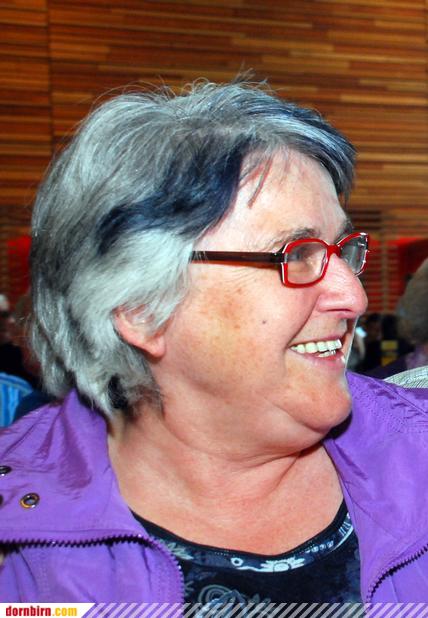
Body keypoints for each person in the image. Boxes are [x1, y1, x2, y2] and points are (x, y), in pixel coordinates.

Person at [0, 79, 427, 606]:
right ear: (141, 308)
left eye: (343, 249)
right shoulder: (19, 545)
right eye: (296, 254)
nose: (354, 297)